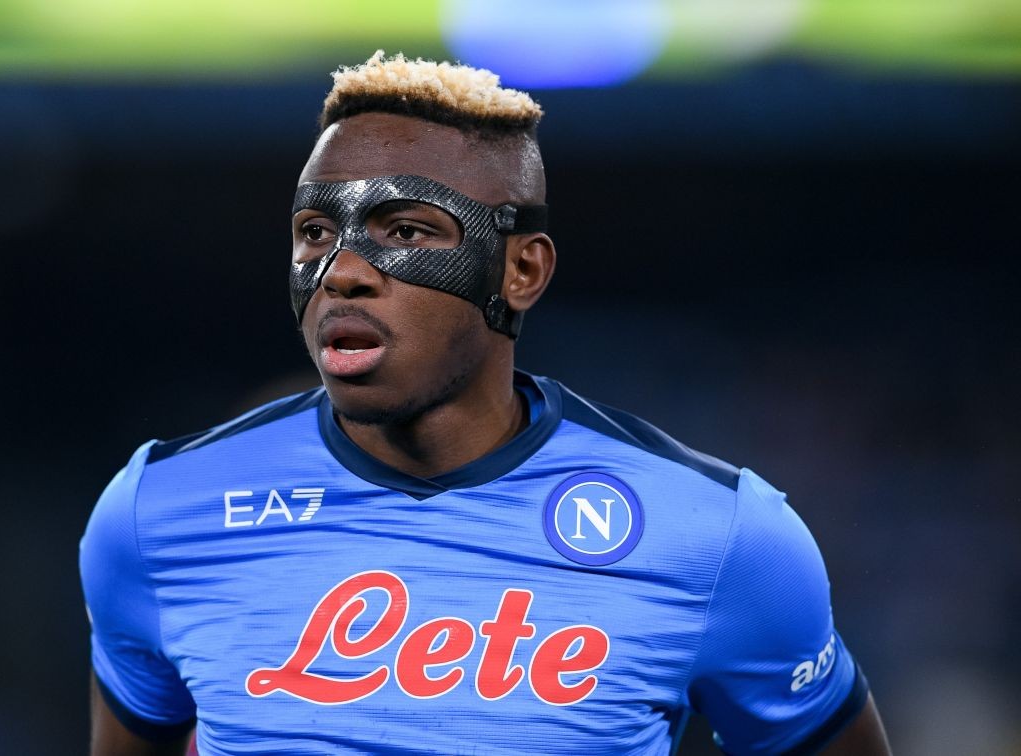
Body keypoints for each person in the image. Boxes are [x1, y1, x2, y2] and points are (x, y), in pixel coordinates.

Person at [80, 51, 892, 755]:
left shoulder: (719, 538)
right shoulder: (158, 513)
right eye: (316, 232)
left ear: (522, 271)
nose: (343, 271)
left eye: (405, 231)